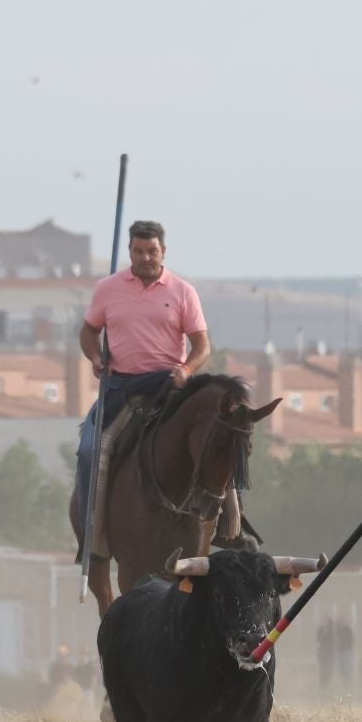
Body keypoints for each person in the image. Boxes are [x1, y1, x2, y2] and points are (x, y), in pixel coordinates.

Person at [74, 220, 233, 557]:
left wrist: (187, 369)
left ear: (163, 251)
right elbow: (88, 332)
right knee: (92, 449)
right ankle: (94, 535)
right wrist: (94, 357)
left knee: (217, 439)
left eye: (152, 251)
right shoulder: (108, 288)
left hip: (170, 387)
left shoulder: (182, 291)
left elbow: (202, 346)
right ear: (130, 251)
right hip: (123, 388)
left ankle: (232, 525)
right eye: (138, 251)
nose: (145, 257)